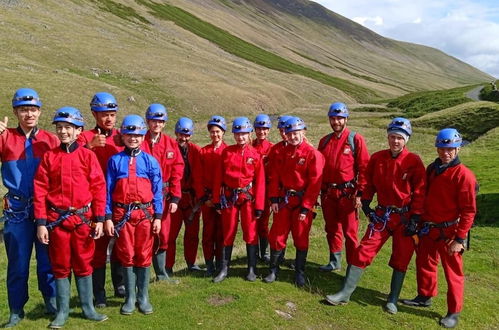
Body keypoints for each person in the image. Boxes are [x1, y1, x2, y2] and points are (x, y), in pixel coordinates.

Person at [325, 117, 425, 314]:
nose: (395, 141)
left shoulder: (414, 162)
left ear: (406, 140)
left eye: (399, 138)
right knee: (363, 250)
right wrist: (366, 202)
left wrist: (415, 218)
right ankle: (345, 293)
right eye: (392, 137)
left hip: (404, 218)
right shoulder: (378, 158)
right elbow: (368, 181)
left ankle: (393, 299)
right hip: (382, 216)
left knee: (401, 257)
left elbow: (420, 191)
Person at [34, 107, 108, 328]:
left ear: (79, 131)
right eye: (59, 128)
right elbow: (40, 190)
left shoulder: (88, 156)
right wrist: (41, 223)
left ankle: (88, 308)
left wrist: (100, 219)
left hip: (83, 221)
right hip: (57, 222)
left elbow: (98, 188)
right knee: (60, 266)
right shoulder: (49, 157)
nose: (63, 131)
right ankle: (62, 311)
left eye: (68, 127)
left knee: (85, 264)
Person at [401, 128, 477, 328]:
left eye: (450, 149)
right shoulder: (433, 169)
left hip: (450, 232)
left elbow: (469, 211)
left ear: (458, 148)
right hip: (429, 228)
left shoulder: (464, 176)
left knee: (453, 273)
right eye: (442, 148)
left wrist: (460, 239)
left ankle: (454, 311)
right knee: (425, 263)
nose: (446, 153)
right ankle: (424, 296)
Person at [0, 88, 57, 327]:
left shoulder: (50, 140)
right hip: (17, 211)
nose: (29, 114)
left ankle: (51, 302)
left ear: (40, 111)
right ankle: (16, 309)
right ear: (15, 112)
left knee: (48, 262)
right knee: (18, 263)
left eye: (33, 109)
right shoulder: (4, 138)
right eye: (23, 110)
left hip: (46, 210)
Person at [104, 114, 163, 315]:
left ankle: (143, 296)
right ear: (123, 136)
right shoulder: (114, 161)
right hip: (122, 216)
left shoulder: (151, 162)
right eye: (129, 135)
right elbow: (107, 190)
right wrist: (108, 217)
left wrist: (158, 217)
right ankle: (129, 297)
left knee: (143, 254)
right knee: (126, 254)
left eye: (137, 135)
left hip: (145, 215)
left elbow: (157, 191)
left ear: (143, 136)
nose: (133, 139)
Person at [264, 117, 325, 287]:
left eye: (296, 133)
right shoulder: (281, 152)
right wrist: (274, 198)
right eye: (289, 134)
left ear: (303, 132)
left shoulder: (313, 154)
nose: (292, 137)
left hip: (301, 202)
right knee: (277, 235)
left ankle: (300, 271)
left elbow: (315, 184)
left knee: (301, 237)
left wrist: (306, 207)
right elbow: (274, 176)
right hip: (283, 201)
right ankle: (273, 269)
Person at [77, 92, 124, 307]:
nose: (109, 119)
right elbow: (70, 162)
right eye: (104, 114)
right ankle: (99, 293)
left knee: (120, 243)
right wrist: (90, 147)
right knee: (97, 248)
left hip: (119, 200)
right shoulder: (84, 137)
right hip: (94, 201)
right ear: (94, 114)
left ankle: (120, 284)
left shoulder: (122, 136)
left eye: (112, 114)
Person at [212, 117, 265, 283]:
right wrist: (216, 200)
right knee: (228, 232)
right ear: (233, 135)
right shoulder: (227, 153)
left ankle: (251, 269)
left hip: (248, 198)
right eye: (237, 134)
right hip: (229, 198)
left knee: (250, 233)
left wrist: (259, 206)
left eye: (244, 134)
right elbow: (218, 177)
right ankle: (224, 269)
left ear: (249, 134)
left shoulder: (255, 155)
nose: (240, 137)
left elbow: (260, 181)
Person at [317, 102, 369, 272]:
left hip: (347, 194)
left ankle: (352, 267)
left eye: (339, 118)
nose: (336, 121)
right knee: (331, 229)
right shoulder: (324, 141)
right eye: (333, 118)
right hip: (328, 194)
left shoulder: (355, 140)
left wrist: (360, 193)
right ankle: (334, 261)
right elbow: (318, 168)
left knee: (350, 233)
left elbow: (364, 168)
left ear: (346, 119)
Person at [141, 103, 184, 282]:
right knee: (143, 236)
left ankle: (161, 273)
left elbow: (177, 170)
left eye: (160, 121)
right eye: (153, 121)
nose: (156, 125)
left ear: (164, 123)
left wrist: (175, 196)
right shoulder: (139, 140)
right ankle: (141, 276)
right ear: (148, 122)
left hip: (164, 197)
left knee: (164, 235)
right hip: (143, 197)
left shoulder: (170, 144)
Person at [166, 117, 203, 272]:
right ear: (176, 133)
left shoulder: (195, 150)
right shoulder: (169, 149)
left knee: (192, 234)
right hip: (174, 197)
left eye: (187, 135)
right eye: (181, 134)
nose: (184, 138)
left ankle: (191, 263)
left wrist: (200, 198)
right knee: (170, 234)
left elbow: (200, 175)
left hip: (191, 198)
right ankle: (167, 267)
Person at [196, 116, 228, 276]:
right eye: (212, 132)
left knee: (221, 232)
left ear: (223, 133)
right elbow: (198, 177)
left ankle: (221, 263)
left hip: (223, 199)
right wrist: (204, 198)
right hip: (207, 199)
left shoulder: (227, 151)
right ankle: (209, 264)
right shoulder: (204, 151)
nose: (215, 135)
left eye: (218, 131)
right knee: (208, 232)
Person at [252, 114, 274, 263]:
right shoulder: (249, 145)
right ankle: (253, 251)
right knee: (251, 222)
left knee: (263, 222)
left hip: (265, 190)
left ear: (268, 130)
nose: (262, 132)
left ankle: (264, 251)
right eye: (259, 129)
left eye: (264, 129)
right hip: (250, 189)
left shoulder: (272, 149)